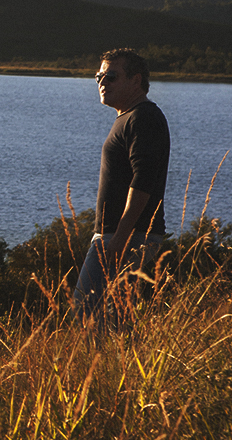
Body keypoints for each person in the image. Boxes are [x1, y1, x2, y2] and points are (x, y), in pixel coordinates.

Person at [73, 48, 170, 328]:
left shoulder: (143, 118)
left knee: (87, 315)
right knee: (114, 320)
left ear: (136, 80)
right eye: (99, 76)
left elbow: (143, 182)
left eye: (112, 76)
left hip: (128, 237)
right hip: (121, 236)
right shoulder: (128, 117)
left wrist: (119, 241)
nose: (103, 82)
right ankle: (116, 369)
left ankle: (103, 369)